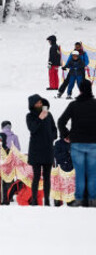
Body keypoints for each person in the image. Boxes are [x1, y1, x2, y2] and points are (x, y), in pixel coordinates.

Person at [58, 78, 96, 206]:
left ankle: (79, 199)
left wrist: (66, 135)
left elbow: (61, 121)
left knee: (79, 173)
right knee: (92, 173)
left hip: (77, 143)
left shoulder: (73, 105)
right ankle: (93, 200)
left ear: (79, 90)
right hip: (93, 143)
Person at [26, 94, 57, 206]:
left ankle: (47, 200)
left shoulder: (49, 115)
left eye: (40, 102)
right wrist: (40, 118)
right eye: (37, 103)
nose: (40, 104)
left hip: (48, 148)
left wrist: (52, 137)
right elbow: (32, 129)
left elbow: (54, 129)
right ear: (32, 105)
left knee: (47, 177)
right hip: (36, 150)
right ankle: (34, 200)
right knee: (37, 176)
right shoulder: (30, 116)